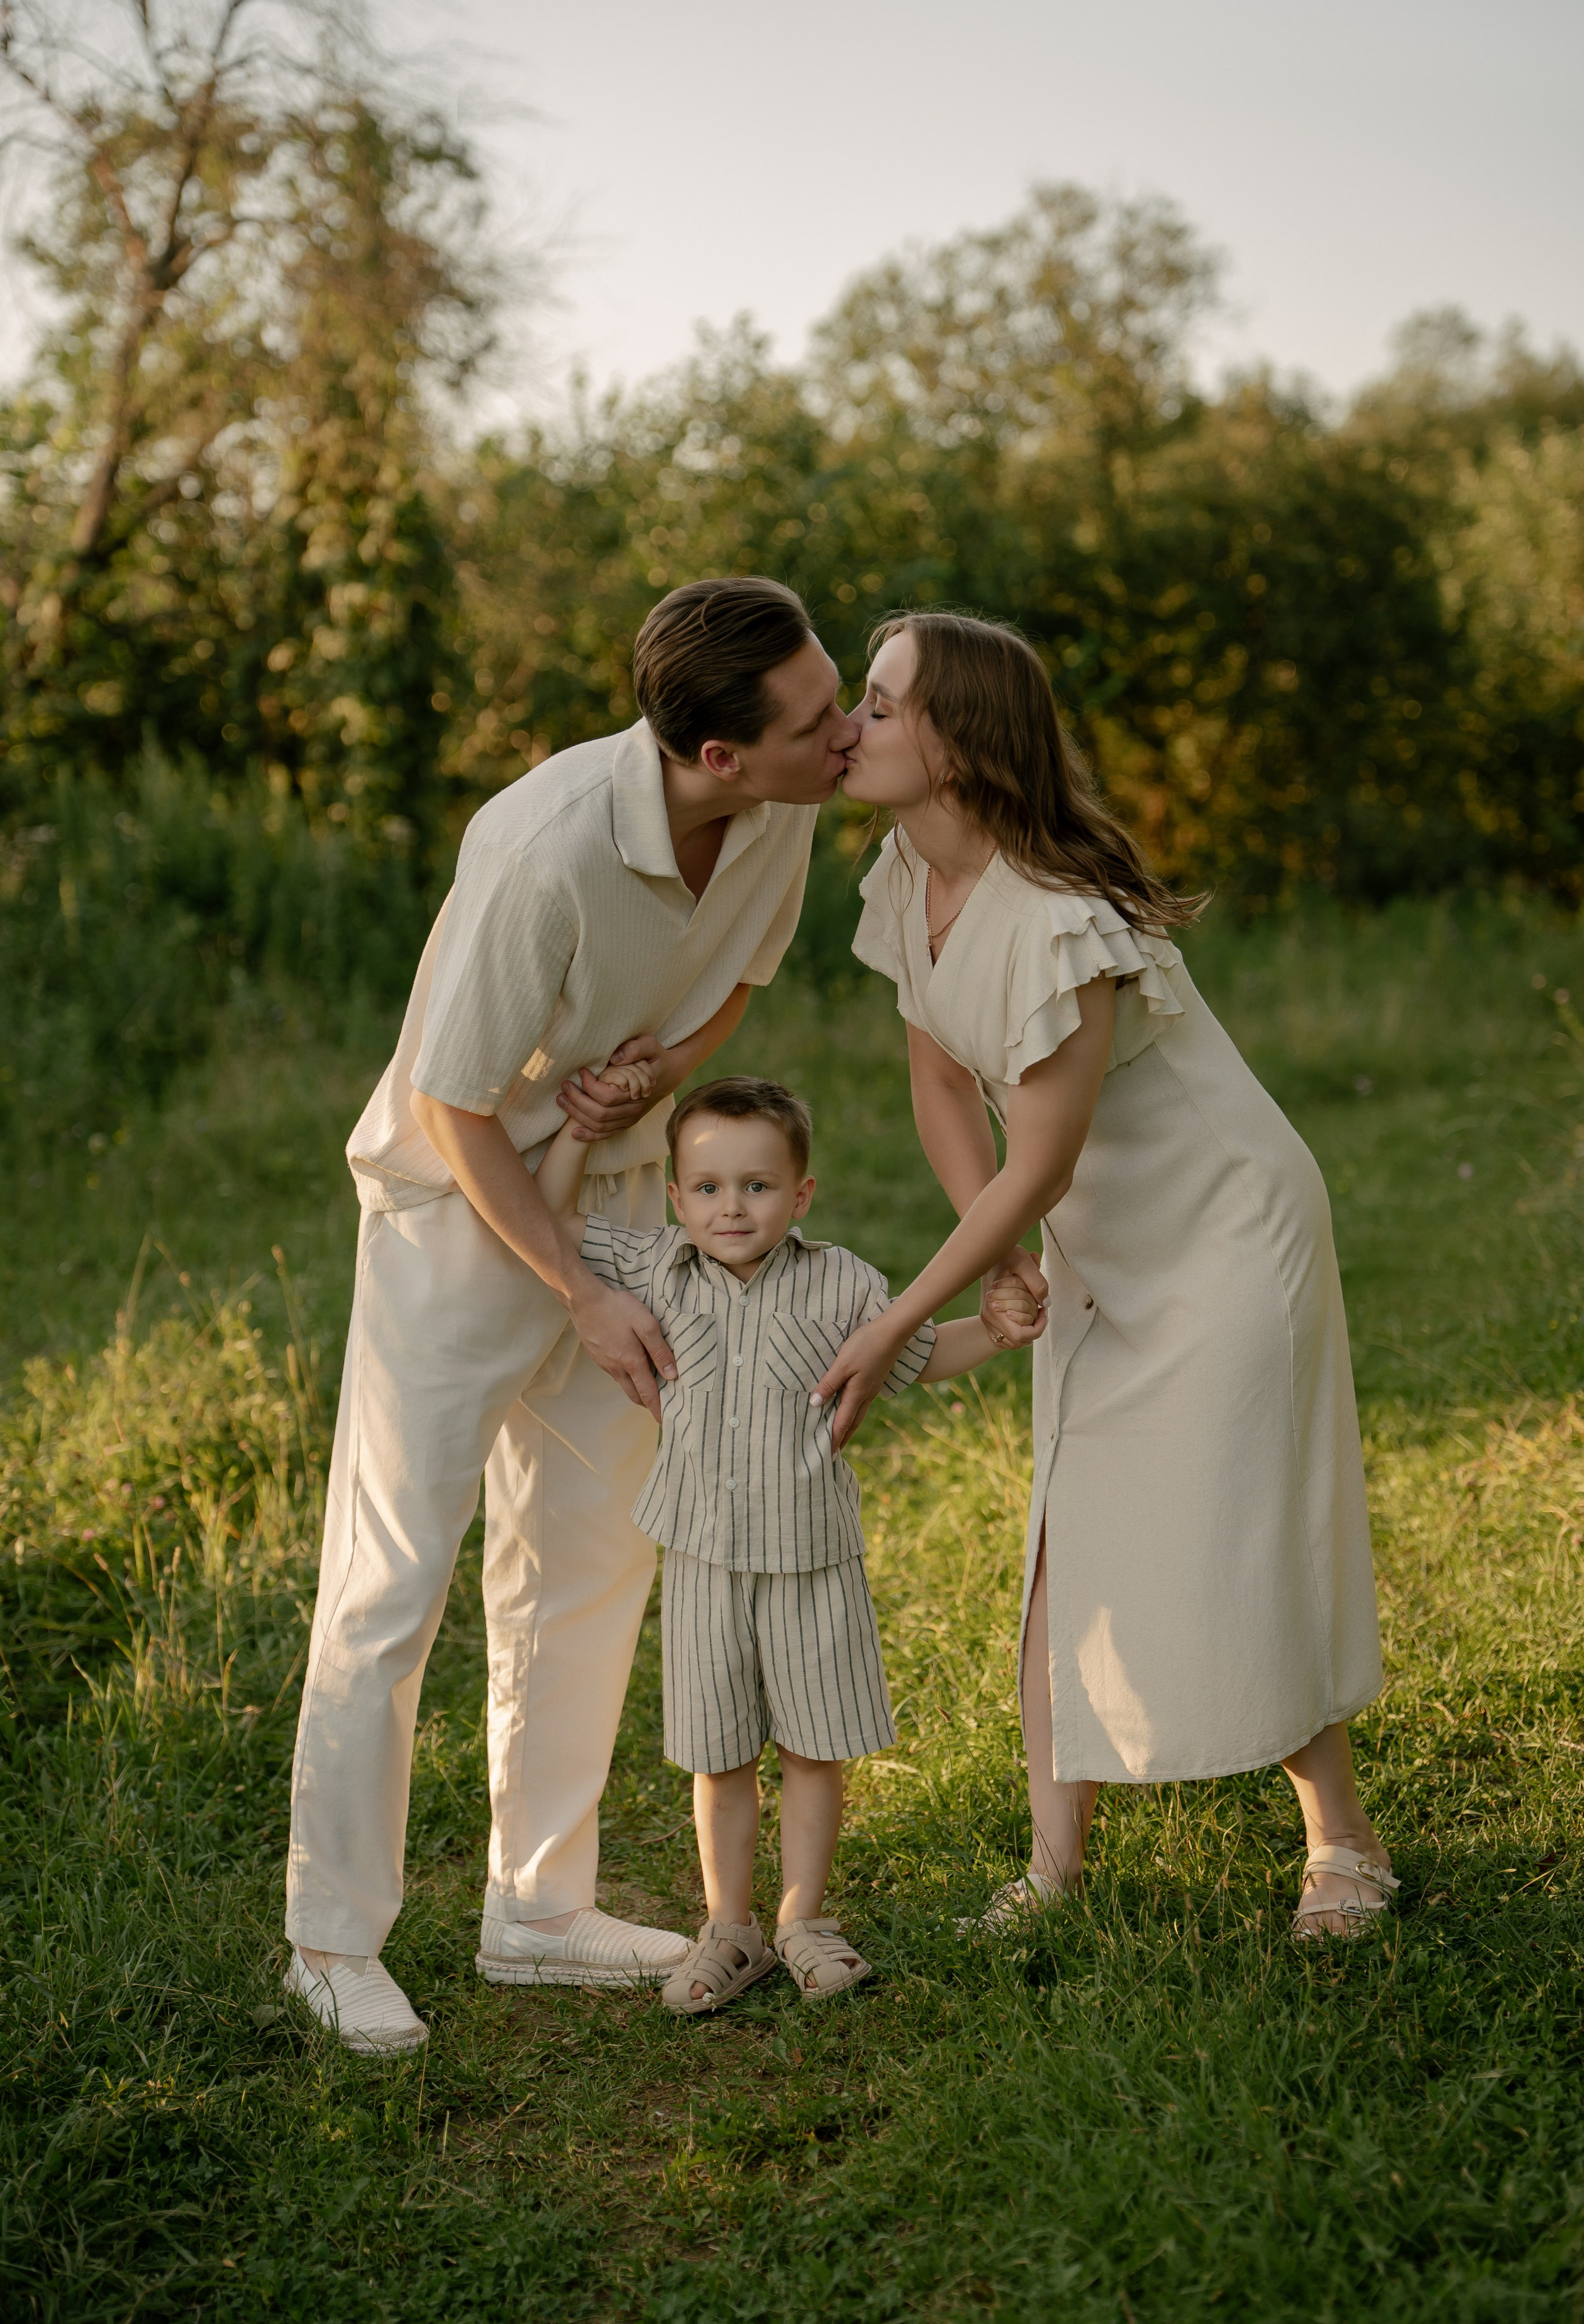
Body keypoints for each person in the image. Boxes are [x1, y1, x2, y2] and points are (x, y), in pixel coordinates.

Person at [283, 578, 860, 2055]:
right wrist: (585, 1293)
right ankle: (329, 1940)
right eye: (813, 718)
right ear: (716, 753)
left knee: (590, 1562)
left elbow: (734, 984)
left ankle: (537, 1911)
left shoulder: (785, 803)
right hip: (455, 1216)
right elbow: (452, 1106)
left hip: (615, 1197)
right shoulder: (543, 851)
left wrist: (655, 1075)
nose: (844, 731)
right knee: (392, 1578)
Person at [816, 611, 1397, 1941]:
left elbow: (1040, 1156)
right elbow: (939, 1086)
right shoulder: (905, 877)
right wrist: (1008, 1255)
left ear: (957, 745)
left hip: (1223, 1235)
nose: (854, 726)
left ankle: (1341, 1849)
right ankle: (1052, 1870)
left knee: (1231, 1521)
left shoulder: (1061, 921)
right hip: (1092, 1233)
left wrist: (907, 1316)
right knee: (1063, 1533)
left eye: (884, 705)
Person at [531, 1074, 1042, 2011]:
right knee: (719, 1754)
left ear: (801, 1195)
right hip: (701, 1558)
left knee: (814, 1747)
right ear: (677, 1198)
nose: (734, 1207)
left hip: (811, 1557)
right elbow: (550, 1222)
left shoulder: (842, 1283)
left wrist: (998, 1333)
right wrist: (576, 1130)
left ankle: (803, 1919)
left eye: (759, 1186)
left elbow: (920, 1358)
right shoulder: (655, 1267)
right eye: (711, 1188)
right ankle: (730, 1929)